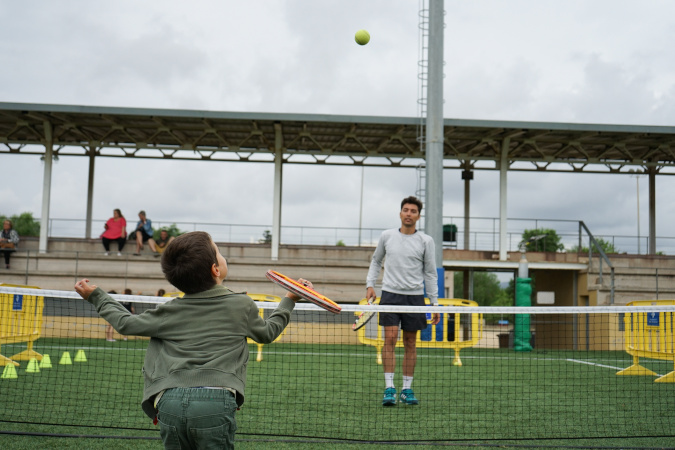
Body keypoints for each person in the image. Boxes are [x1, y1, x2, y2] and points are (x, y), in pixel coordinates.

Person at [74, 231, 305, 449]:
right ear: (216, 269)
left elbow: (126, 323)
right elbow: (268, 333)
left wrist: (97, 296)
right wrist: (289, 299)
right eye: (219, 252)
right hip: (215, 402)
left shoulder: (169, 310)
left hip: (169, 402)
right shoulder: (242, 305)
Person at [366, 195, 440, 407]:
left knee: (410, 342)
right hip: (390, 295)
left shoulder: (426, 241)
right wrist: (370, 285)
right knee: (390, 339)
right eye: (406, 210)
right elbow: (376, 261)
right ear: (400, 213)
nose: (409, 214)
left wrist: (434, 303)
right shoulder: (386, 236)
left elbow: (430, 273)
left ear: (418, 216)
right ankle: (389, 388)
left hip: (415, 298)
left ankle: (406, 389)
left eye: (413, 211)